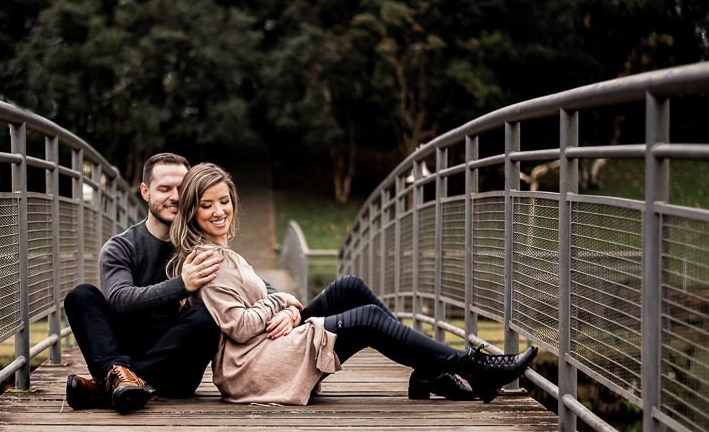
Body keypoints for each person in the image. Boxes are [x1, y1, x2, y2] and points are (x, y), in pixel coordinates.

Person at [168, 162, 537, 406]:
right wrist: (280, 304)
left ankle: (433, 370)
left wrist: (285, 303)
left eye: (224, 201)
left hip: (265, 343)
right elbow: (240, 326)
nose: (219, 211)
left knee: (348, 287)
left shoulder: (222, 250)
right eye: (206, 205)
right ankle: (472, 368)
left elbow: (264, 298)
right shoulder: (207, 262)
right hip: (251, 367)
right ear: (192, 212)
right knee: (368, 320)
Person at [63, 152, 280, 413]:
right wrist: (181, 284)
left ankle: (107, 385)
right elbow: (119, 300)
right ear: (145, 192)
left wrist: (286, 305)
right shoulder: (121, 246)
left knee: (206, 317)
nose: (175, 197)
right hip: (125, 348)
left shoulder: (202, 243)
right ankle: (120, 377)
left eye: (181, 189)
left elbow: (251, 282)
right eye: (164, 189)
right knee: (81, 295)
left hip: (177, 370)